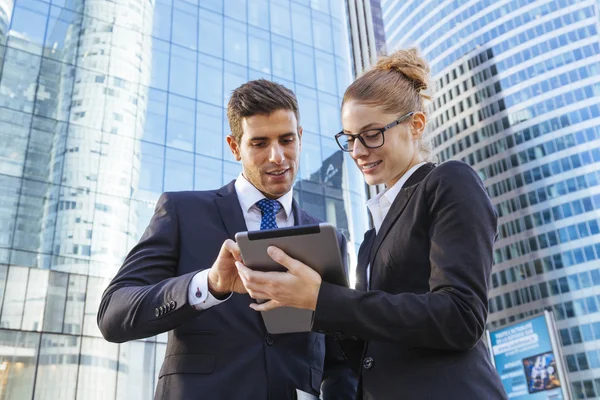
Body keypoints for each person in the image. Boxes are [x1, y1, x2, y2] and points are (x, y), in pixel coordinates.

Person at [234, 50, 508, 399]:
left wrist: (323, 298)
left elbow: (460, 317)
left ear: (416, 125)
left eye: (372, 134)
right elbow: (369, 349)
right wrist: (306, 299)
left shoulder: (449, 182)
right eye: (349, 138)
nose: (358, 150)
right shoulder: (370, 238)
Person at [97, 79, 356, 400]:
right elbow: (113, 315)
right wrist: (208, 286)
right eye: (259, 143)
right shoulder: (183, 212)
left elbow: (340, 360)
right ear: (235, 147)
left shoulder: (330, 239)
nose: (277, 156)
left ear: (300, 138)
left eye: (286, 140)